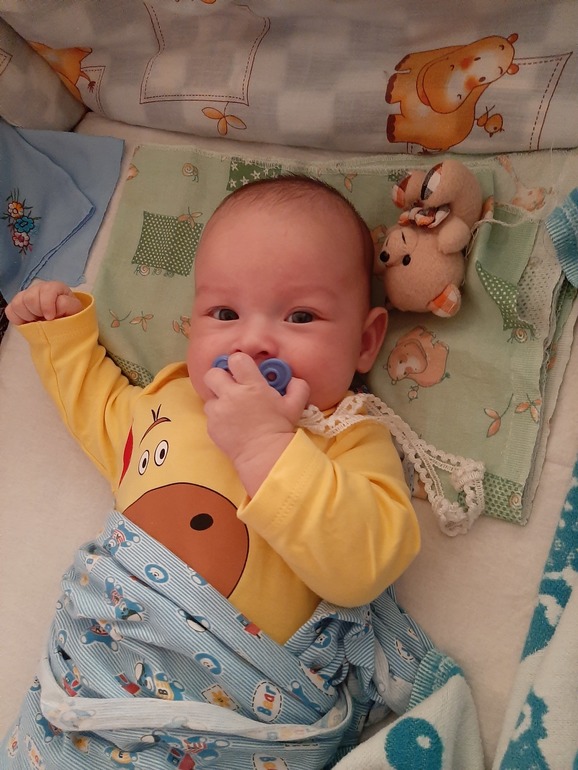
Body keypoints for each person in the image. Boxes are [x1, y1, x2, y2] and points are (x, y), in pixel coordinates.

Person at [6, 174, 420, 646]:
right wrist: (59, 332)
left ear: (365, 342)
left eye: (300, 316)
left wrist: (266, 445)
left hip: (237, 680)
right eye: (225, 314)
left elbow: (365, 566)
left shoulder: (346, 435)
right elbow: (91, 402)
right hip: (103, 647)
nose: (253, 341)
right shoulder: (168, 403)